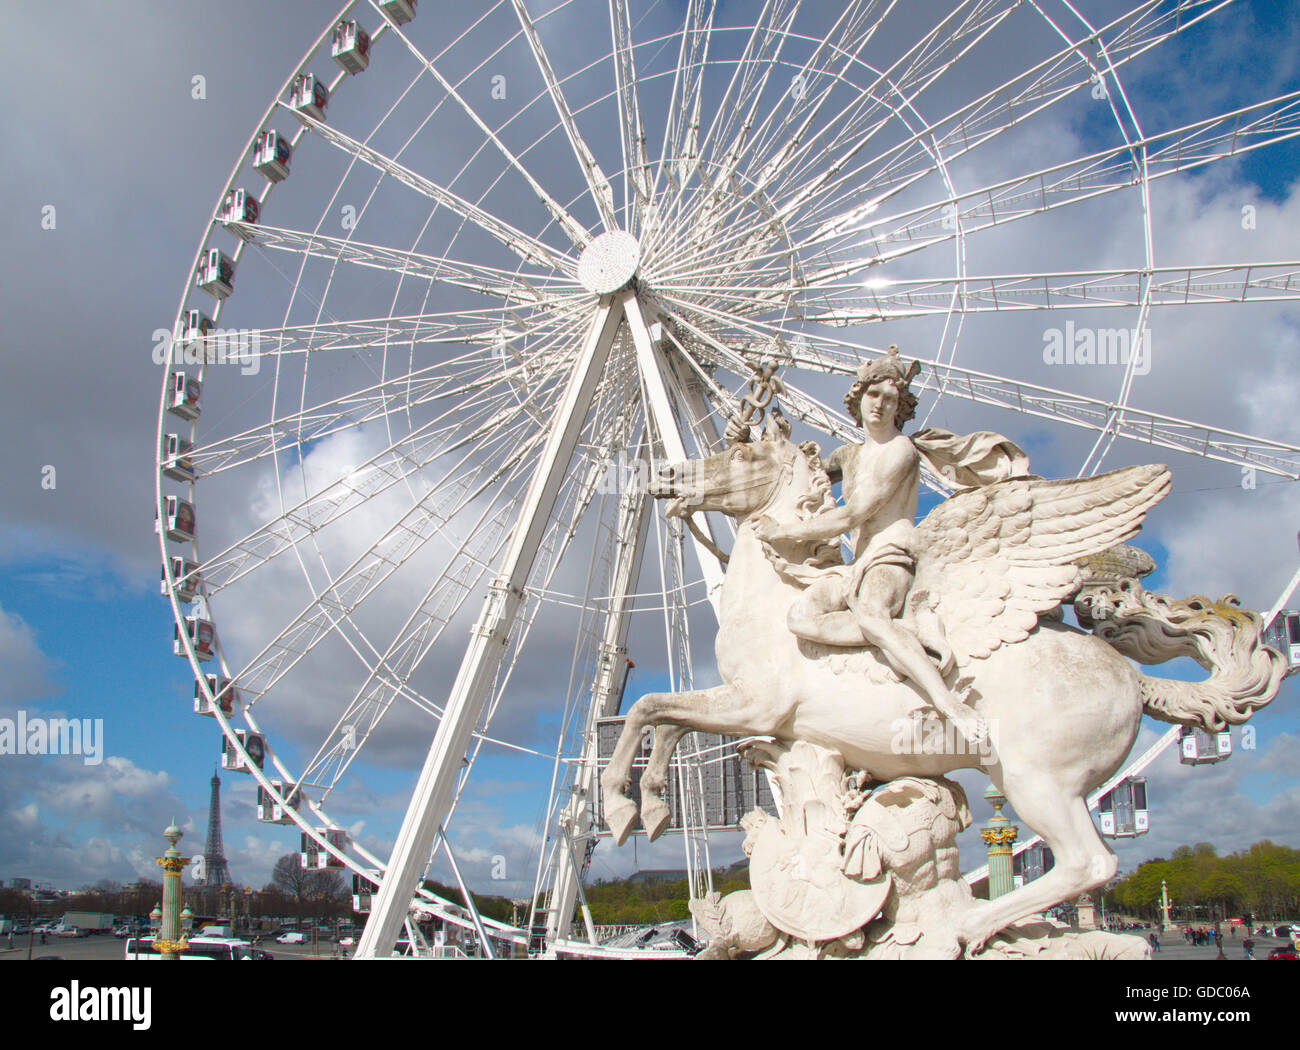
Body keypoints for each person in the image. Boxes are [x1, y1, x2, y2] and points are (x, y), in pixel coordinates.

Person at [755, 348, 996, 742]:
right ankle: (904, 643)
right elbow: (799, 469)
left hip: (891, 555)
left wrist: (783, 532)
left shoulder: (900, 450)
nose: (880, 405)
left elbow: (853, 516)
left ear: (901, 407)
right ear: (858, 398)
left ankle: (946, 700)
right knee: (799, 615)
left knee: (870, 616)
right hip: (857, 565)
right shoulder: (852, 454)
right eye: (873, 395)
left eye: (890, 399)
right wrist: (768, 438)